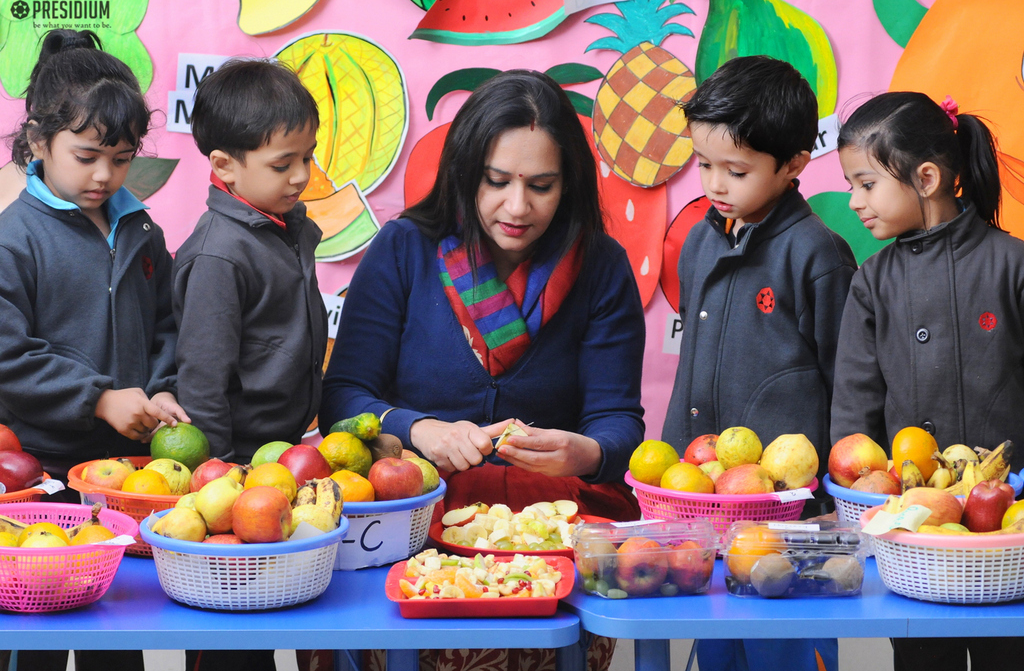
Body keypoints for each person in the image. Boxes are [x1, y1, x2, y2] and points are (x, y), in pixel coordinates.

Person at [320, 69, 646, 670]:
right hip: (411, 524)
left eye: (542, 186)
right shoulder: (404, 249)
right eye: (497, 182)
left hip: (550, 535)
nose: (517, 207)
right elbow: (343, 397)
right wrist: (420, 430)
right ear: (466, 173)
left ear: (569, 184)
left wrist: (588, 454)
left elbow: (618, 419)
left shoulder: (600, 265)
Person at [0, 29, 187, 671]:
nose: (104, 174)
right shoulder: (12, 240)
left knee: (117, 632)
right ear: (37, 142)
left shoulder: (142, 229)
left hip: (127, 478)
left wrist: (161, 387)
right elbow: (8, 357)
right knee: (40, 634)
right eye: (86, 156)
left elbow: (167, 325)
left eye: (121, 157)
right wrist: (98, 397)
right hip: (39, 476)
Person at [661, 56, 856, 671]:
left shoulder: (818, 254)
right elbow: (690, 363)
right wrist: (672, 475)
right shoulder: (698, 241)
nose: (715, 184)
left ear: (794, 164)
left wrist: (835, 496)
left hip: (793, 512)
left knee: (785, 646)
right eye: (704, 165)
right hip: (705, 501)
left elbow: (848, 382)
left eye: (736, 170)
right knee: (715, 643)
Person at [832, 91, 1024, 670]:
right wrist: (860, 499)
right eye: (850, 185)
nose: (854, 201)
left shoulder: (1012, 265)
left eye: (866, 184)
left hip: (1012, 530)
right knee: (923, 659)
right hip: (915, 533)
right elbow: (855, 411)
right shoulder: (872, 281)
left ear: (928, 177)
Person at [172, 58, 328, 671]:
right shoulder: (219, 254)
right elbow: (203, 382)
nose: (301, 177)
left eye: (307, 157)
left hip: (280, 455)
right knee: (232, 638)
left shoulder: (287, 226)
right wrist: (218, 483)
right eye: (282, 164)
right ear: (224, 166)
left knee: (275, 619)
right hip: (233, 471)